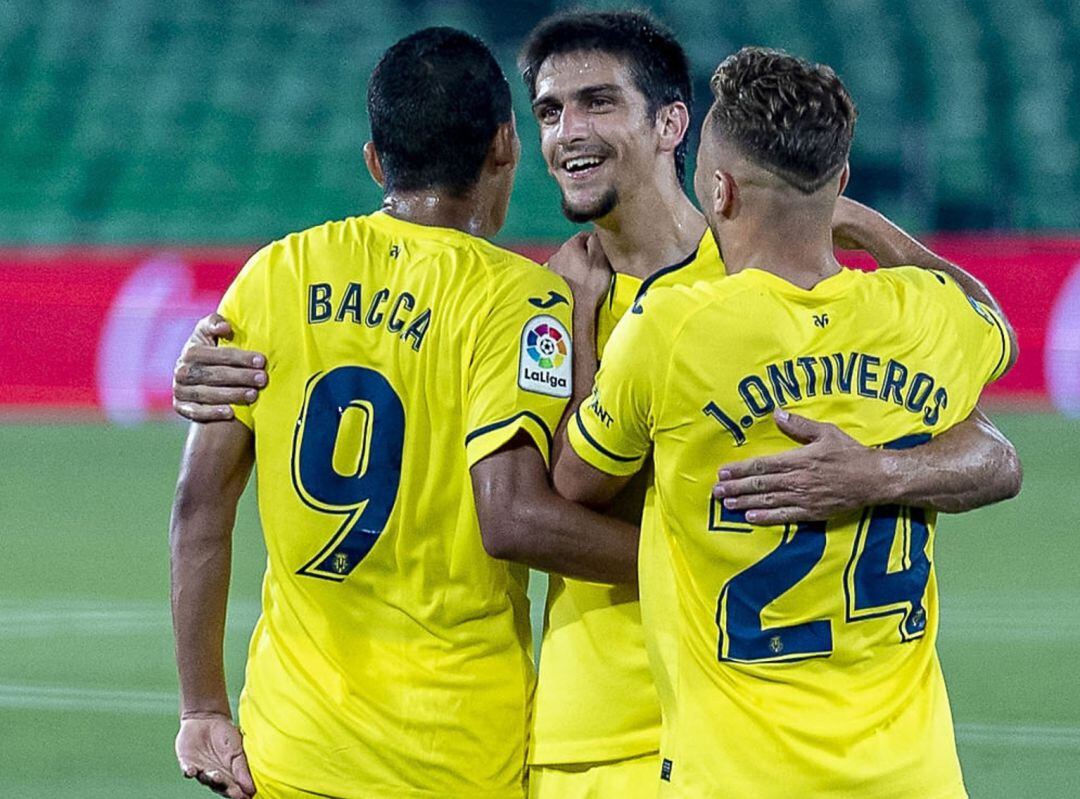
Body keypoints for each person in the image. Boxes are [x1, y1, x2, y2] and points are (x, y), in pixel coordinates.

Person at [173, 11, 1022, 797]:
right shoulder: (537, 300)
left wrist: (876, 472)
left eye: (597, 103)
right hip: (585, 738)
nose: (567, 132)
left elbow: (991, 452)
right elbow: (504, 486)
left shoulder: (767, 287)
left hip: (748, 739)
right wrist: (209, 371)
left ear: (671, 125)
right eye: (547, 111)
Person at [169, 27, 637, 799]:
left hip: (291, 750)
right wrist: (684, 557)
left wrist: (201, 706)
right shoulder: (521, 299)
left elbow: (197, 506)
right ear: (504, 147)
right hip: (453, 756)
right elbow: (524, 507)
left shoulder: (274, 275)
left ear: (376, 161)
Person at [553, 46, 1015, 798]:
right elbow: (990, 320)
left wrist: (578, 316)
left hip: (737, 775)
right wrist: (878, 234)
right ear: (838, 183)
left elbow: (574, 481)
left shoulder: (673, 329)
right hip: (910, 776)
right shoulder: (919, 317)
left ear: (720, 189)